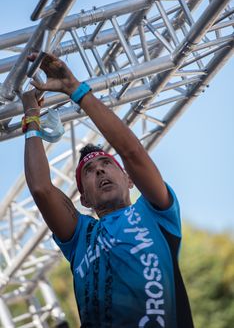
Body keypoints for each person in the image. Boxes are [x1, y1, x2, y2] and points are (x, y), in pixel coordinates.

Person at [22, 53, 194, 328]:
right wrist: (31, 115)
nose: (100, 170)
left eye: (106, 164)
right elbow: (41, 189)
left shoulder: (156, 214)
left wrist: (73, 88)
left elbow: (131, 151)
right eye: (89, 171)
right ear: (85, 199)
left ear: (129, 180)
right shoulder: (81, 236)